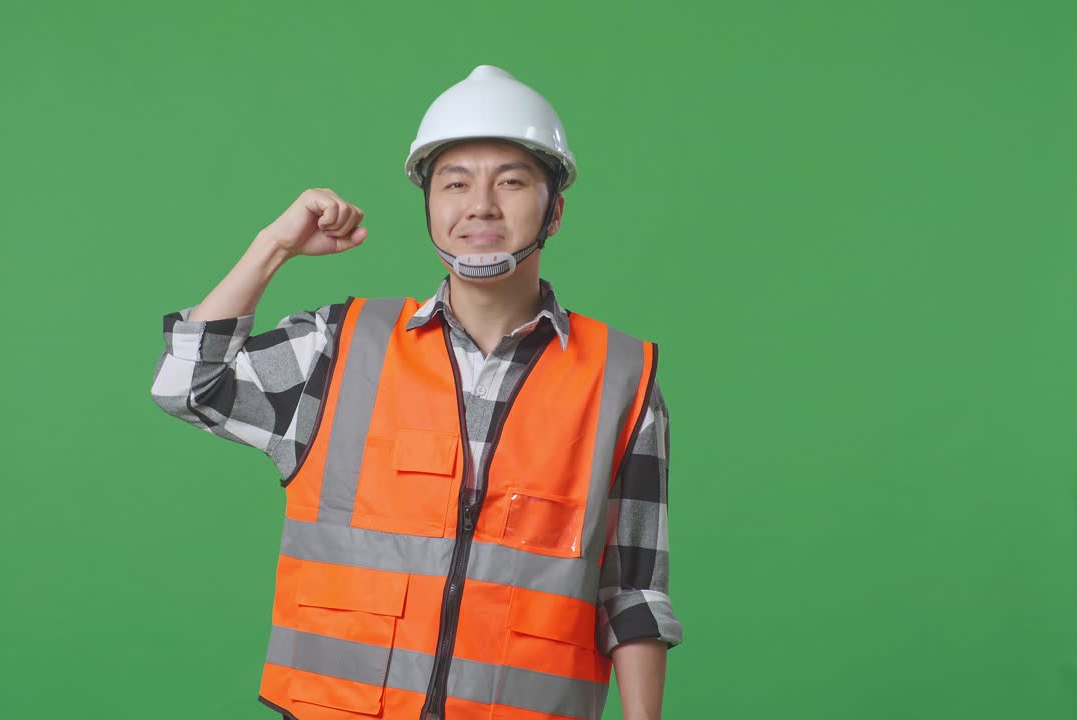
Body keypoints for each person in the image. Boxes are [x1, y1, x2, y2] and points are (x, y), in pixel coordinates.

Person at [150, 65, 683, 720]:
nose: (481, 205)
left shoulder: (621, 380)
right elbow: (184, 385)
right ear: (430, 205)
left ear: (555, 210)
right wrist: (274, 248)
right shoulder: (337, 349)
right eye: (455, 183)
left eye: (511, 182)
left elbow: (632, 594)